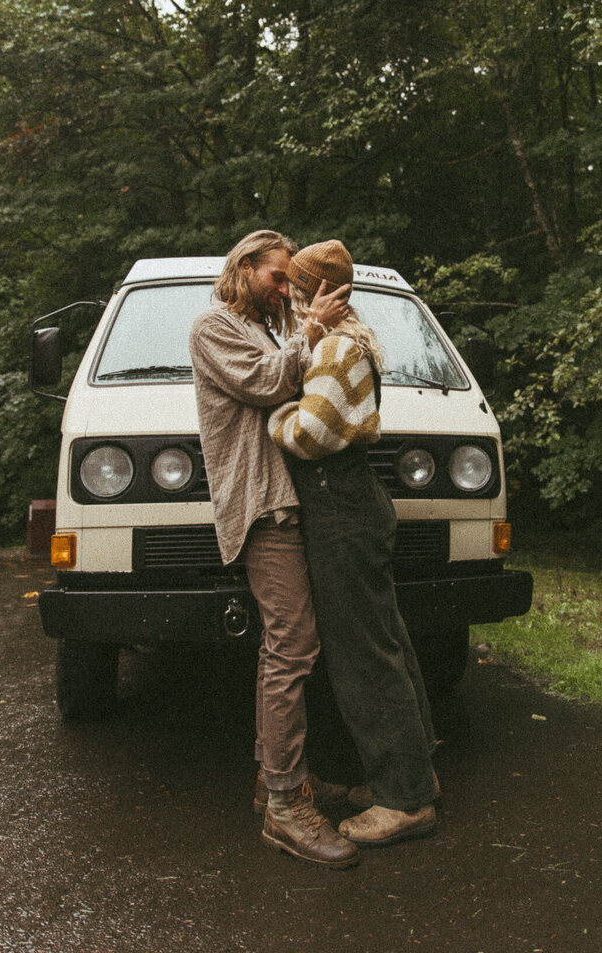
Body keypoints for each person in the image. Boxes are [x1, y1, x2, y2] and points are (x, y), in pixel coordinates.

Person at [189, 229, 358, 870]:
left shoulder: (266, 325)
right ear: (244, 267)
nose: (286, 289)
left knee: (285, 644)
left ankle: (278, 781)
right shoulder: (214, 326)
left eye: (292, 281)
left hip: (289, 501)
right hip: (261, 505)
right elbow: (266, 384)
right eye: (277, 276)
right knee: (293, 645)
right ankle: (288, 808)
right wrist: (312, 328)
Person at [268, 239, 440, 847]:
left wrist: (271, 419)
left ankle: (404, 802)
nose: (285, 291)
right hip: (348, 505)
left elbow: (310, 432)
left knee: (364, 655)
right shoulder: (339, 342)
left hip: (340, 505)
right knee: (386, 641)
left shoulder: (338, 348)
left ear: (321, 290)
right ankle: (413, 779)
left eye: (295, 283)